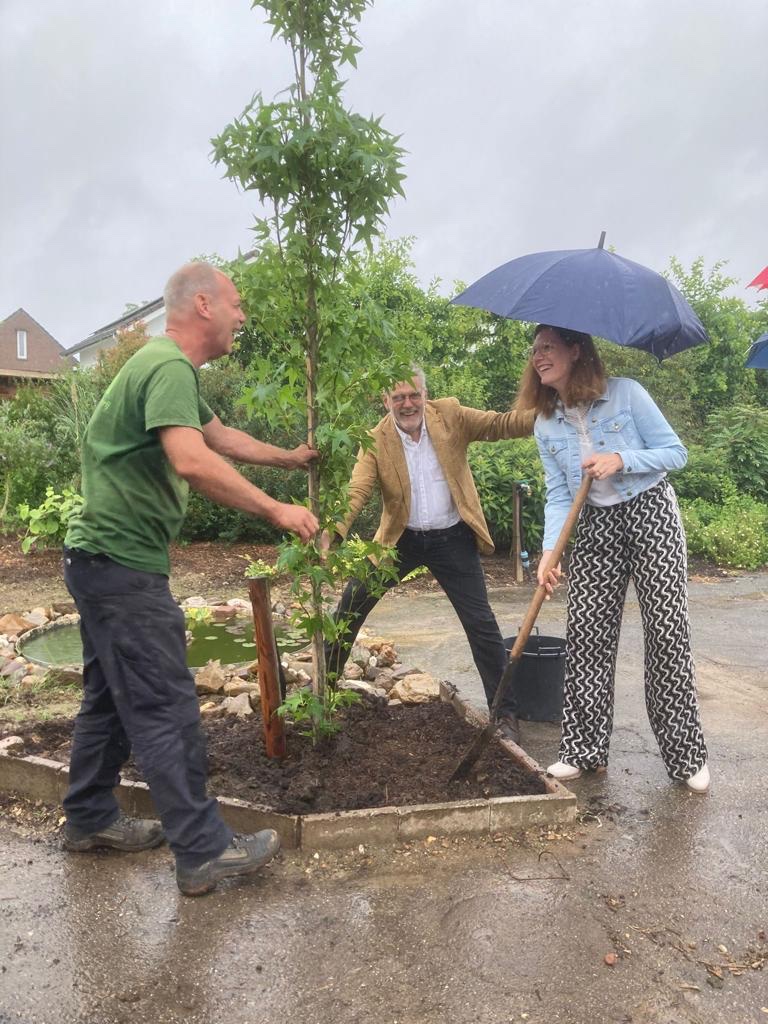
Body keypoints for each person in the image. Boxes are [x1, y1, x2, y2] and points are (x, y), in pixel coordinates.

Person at [62, 261, 320, 895]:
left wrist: (288, 458)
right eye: (236, 304)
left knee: (108, 700)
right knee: (164, 705)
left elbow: (219, 436)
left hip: (98, 562)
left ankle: (89, 818)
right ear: (203, 304)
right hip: (122, 568)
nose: (241, 316)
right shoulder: (168, 366)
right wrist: (276, 509)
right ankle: (203, 850)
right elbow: (190, 459)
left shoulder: (162, 368)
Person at [514, 324, 709, 792]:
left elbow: (675, 453)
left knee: (666, 631)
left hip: (650, 511)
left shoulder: (626, 394)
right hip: (597, 525)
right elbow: (558, 493)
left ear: (575, 351)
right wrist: (549, 552)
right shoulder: (546, 422)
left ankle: (686, 759)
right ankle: (582, 748)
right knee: (587, 634)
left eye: (549, 348)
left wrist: (621, 457)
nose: (539, 357)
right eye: (535, 350)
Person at [325, 368, 534, 742]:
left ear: (425, 394)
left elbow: (501, 424)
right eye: (398, 397)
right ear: (385, 401)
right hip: (400, 539)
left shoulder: (450, 414)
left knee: (482, 625)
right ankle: (323, 695)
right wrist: (329, 533)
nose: (408, 404)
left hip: (453, 538)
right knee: (350, 605)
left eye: (414, 395)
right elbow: (357, 491)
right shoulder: (375, 440)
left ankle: (504, 716)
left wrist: (549, 414)